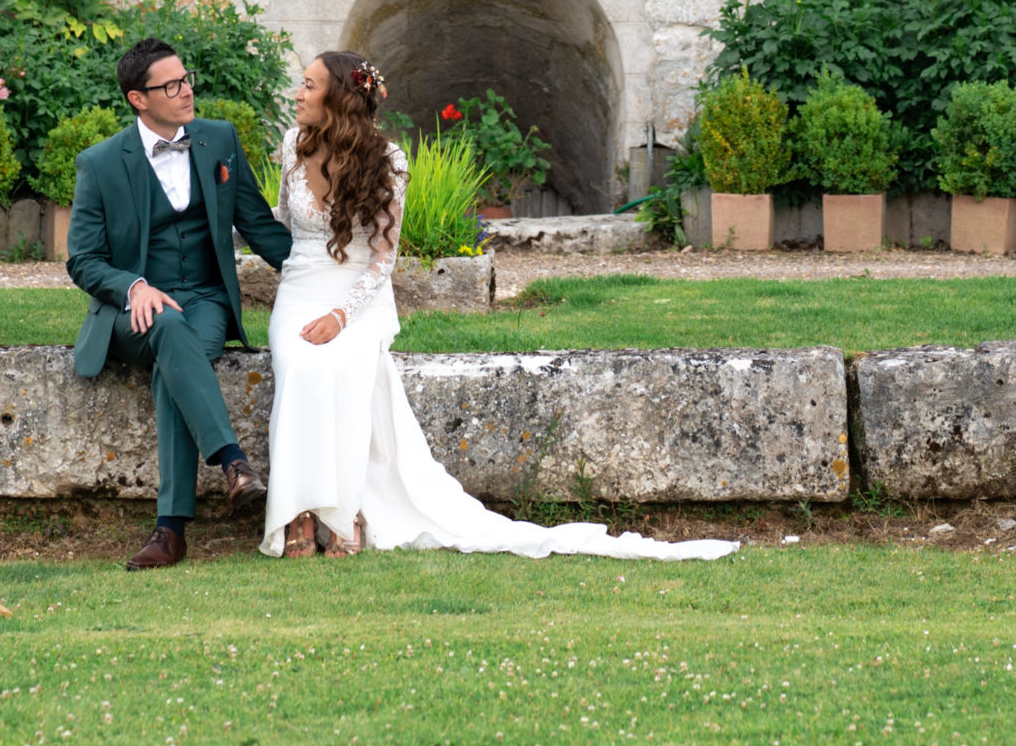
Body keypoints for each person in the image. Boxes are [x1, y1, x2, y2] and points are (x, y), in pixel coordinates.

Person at [262, 50, 738, 563]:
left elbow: (383, 259)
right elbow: (286, 222)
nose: (297, 93)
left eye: (308, 85)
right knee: (299, 362)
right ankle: (299, 512)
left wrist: (340, 316)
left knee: (347, 362)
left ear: (337, 96)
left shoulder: (388, 161)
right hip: (303, 283)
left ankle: (344, 509)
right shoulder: (292, 146)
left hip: (358, 291)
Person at [64, 36, 295, 572]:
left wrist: (323, 275)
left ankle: (171, 532)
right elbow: (83, 260)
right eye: (171, 85)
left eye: (186, 79)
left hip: (208, 300)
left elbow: (258, 224)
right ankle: (232, 462)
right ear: (137, 99)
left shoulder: (219, 141)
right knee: (167, 327)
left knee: (177, 349)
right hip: (132, 312)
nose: (186, 90)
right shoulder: (99, 164)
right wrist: (133, 287)